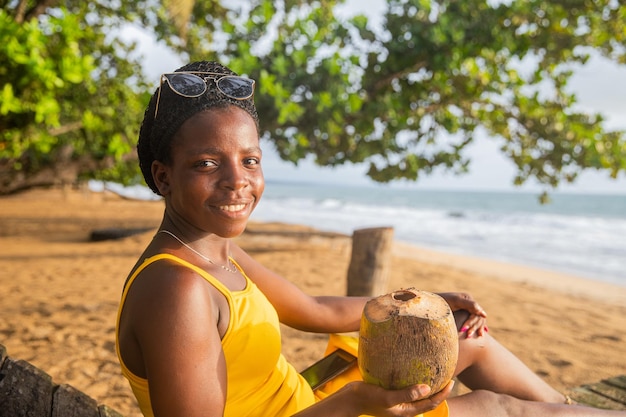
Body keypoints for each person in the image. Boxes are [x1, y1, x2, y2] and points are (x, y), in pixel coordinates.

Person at [115, 60, 625, 417]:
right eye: (207, 163)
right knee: (498, 409)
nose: (237, 181)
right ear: (163, 177)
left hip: (309, 402)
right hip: (324, 412)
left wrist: (423, 304)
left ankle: (563, 408)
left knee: (466, 341)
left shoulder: (214, 250)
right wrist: (355, 404)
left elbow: (315, 309)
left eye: (250, 160)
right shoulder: (176, 291)